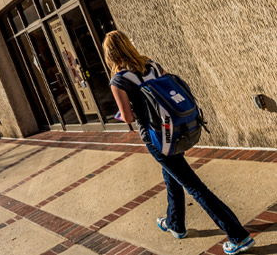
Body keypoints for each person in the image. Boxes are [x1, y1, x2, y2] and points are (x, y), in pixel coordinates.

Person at [103, 30, 254, 255]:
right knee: (172, 175)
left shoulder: (119, 81)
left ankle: (238, 236)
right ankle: (176, 224)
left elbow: (127, 118)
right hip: (173, 130)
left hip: (155, 137)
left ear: (111, 55)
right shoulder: (151, 65)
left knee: (193, 185)